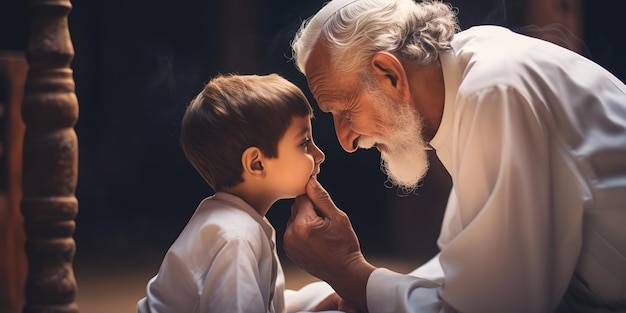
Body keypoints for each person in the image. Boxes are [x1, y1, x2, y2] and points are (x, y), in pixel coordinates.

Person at [282, 0, 626, 312]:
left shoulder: (493, 90)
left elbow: (501, 304)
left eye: (344, 109)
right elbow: (468, 269)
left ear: (390, 75)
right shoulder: (466, 74)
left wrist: (348, 270)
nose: (346, 141)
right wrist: (353, 290)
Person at [137, 73, 349, 313]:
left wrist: (322, 300)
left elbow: (264, 303)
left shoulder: (237, 221)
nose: (319, 155)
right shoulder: (235, 236)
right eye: (305, 143)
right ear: (257, 163)